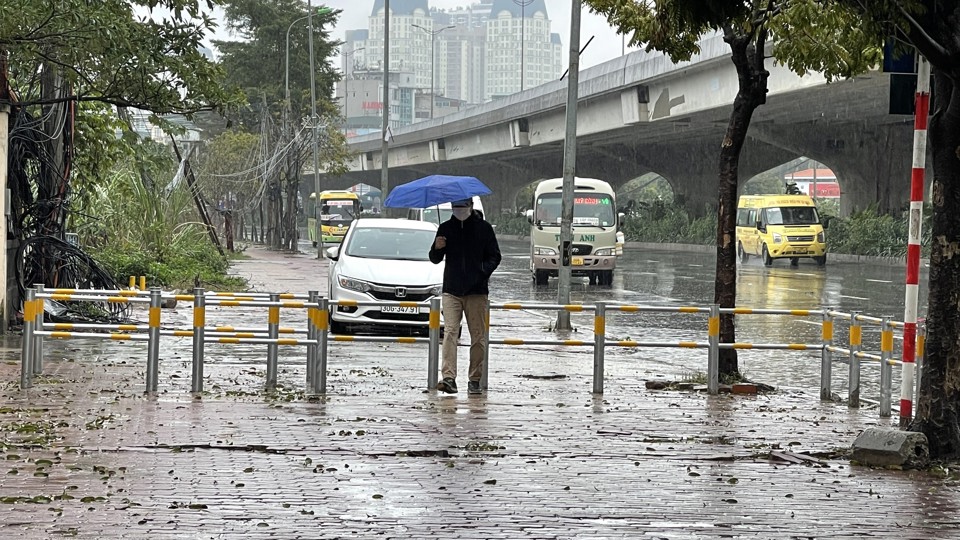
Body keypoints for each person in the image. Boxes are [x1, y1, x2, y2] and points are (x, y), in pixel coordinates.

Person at [429, 198, 502, 395]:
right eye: (455, 206)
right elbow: (435, 259)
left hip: (477, 292)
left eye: (462, 206)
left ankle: (474, 379)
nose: (459, 210)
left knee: (478, 337)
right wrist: (437, 247)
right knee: (451, 332)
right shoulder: (445, 228)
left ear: (470, 206)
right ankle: (449, 377)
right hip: (451, 290)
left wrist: (482, 271)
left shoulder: (484, 228)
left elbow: (495, 256)